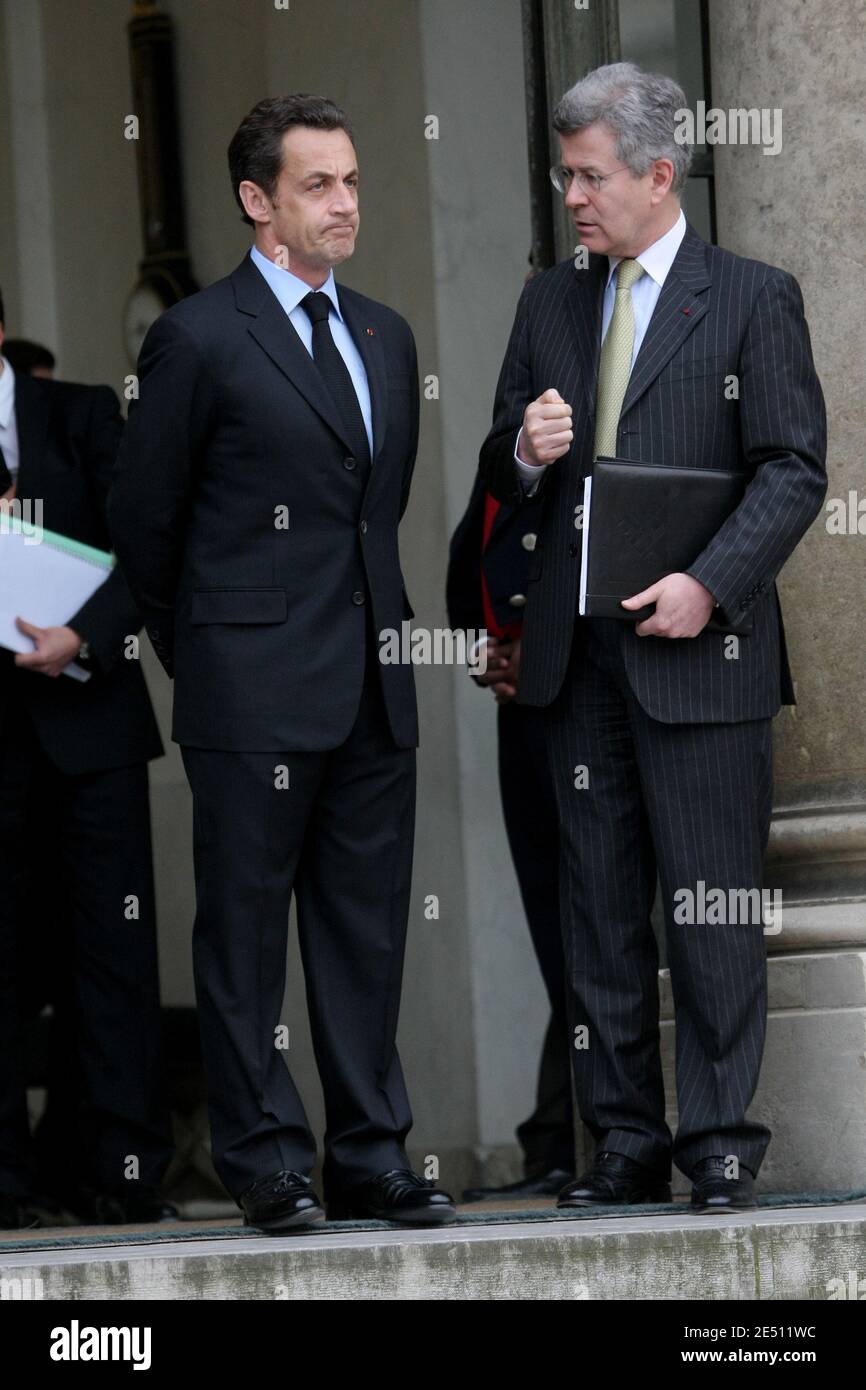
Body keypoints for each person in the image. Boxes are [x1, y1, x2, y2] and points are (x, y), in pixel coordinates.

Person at [479, 63, 827, 1214]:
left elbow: (790, 469)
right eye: (562, 174)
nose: (571, 196)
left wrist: (708, 585)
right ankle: (620, 1138)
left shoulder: (750, 295)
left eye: (588, 176)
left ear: (657, 172)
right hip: (577, 664)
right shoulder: (547, 303)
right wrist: (524, 452)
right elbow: (500, 473)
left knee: (711, 903)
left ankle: (718, 1139)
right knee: (597, 912)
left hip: (700, 655)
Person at [108, 95, 456, 1232]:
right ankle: (264, 1161)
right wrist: (206, 647)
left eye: (351, 179)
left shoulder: (386, 335)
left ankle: (369, 1151)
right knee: (246, 939)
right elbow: (145, 521)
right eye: (319, 184)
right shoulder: (198, 336)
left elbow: (374, 514)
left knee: (363, 933)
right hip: (247, 685)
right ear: (258, 201)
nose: (345, 201)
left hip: (369, 677)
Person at [0, 290, 172, 1229]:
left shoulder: (79, 413)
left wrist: (86, 636)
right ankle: (7, 1183)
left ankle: (123, 1173)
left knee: (113, 956)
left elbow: (143, 546)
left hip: (89, 720)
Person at [447, 471, 575, 1199]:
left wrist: (545, 650)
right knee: (556, 932)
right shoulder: (508, 464)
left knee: (605, 933)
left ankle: (573, 1139)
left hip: (594, 709)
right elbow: (468, 582)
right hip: (524, 720)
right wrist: (490, 655)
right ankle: (558, 1143)